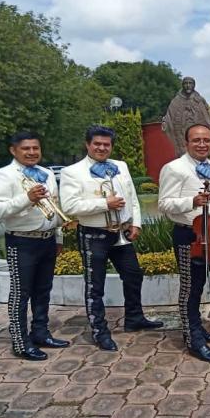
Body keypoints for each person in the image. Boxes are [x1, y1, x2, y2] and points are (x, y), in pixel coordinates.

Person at [59, 125, 163, 352]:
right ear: (87, 144)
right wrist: (105, 204)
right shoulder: (72, 172)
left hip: (121, 232)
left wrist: (135, 222)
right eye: (97, 143)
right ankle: (100, 331)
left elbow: (132, 196)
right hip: (94, 234)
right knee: (95, 286)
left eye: (106, 144)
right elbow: (69, 206)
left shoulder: (121, 166)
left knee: (134, 275)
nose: (102, 148)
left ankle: (134, 317)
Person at [0, 131, 70, 361]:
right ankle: (21, 342)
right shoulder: (2, 175)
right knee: (21, 294)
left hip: (47, 238)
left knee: (43, 291)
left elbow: (54, 206)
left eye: (36, 148)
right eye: (26, 148)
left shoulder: (47, 173)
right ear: (13, 150)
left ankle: (40, 333)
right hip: (21, 241)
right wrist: (27, 198)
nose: (32, 152)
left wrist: (59, 236)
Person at [158, 123, 210, 362]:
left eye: (206, 140)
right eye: (196, 140)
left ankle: (198, 327)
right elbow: (164, 204)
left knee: (199, 284)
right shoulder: (174, 168)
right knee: (189, 288)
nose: (202, 144)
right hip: (188, 234)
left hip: (209, 234)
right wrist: (192, 201)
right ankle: (192, 338)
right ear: (186, 143)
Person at [162, 76, 210, 156]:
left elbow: (207, 112)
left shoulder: (199, 100)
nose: (188, 85)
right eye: (185, 83)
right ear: (183, 85)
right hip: (182, 134)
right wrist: (166, 123)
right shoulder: (176, 101)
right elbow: (169, 115)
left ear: (194, 85)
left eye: (190, 83)